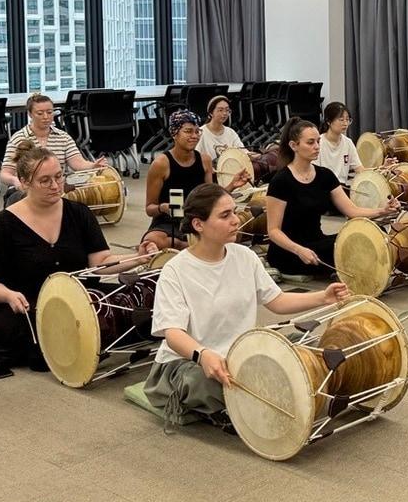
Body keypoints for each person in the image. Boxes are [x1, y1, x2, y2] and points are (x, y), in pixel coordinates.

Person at [146, 183, 351, 429]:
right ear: (198, 224)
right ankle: (245, 402)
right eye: (225, 215)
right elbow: (172, 334)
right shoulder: (175, 271)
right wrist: (203, 354)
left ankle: (258, 396)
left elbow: (277, 300)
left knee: (303, 343)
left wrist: (323, 297)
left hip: (239, 355)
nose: (236, 220)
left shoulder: (245, 257)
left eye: (234, 212)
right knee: (204, 380)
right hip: (186, 363)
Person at [0, 145, 160, 373]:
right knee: (46, 333)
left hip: (74, 296)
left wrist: (139, 258)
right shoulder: (2, 225)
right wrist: (9, 295)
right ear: (24, 182)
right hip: (24, 304)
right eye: (45, 180)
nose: (55, 185)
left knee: (138, 301)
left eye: (59, 176)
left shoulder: (79, 213)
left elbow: (100, 262)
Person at [266, 117, 398, 281]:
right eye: (310, 142)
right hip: (290, 252)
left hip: (318, 243)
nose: (316, 147)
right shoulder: (280, 181)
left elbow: (351, 210)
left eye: (318, 142)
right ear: (294, 146)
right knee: (342, 248)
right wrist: (299, 250)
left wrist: (383, 210)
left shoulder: (325, 176)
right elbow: (273, 231)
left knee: (375, 232)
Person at [143, 110, 244, 251]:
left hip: (199, 218)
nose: (194, 136)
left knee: (235, 231)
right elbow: (149, 208)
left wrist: (232, 185)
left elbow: (211, 198)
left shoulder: (204, 160)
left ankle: (189, 246)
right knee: (154, 240)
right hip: (169, 222)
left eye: (197, 132)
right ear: (174, 134)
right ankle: (192, 245)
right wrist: (164, 207)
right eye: (188, 131)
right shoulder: (161, 164)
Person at [0, 92, 106, 204]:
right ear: (30, 114)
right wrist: (15, 181)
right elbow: (5, 174)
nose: (46, 117)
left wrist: (93, 166)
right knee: (20, 200)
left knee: (89, 192)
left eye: (50, 112)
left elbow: (77, 163)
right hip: (27, 189)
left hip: (57, 188)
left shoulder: (63, 137)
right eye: (40, 113)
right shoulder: (18, 138)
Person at [317, 101, 363, 187]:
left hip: (342, 188)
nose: (345, 123)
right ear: (328, 121)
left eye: (348, 119)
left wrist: (381, 169)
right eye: (341, 120)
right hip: (323, 189)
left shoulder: (348, 142)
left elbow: (359, 169)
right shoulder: (319, 143)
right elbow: (314, 173)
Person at [197, 95, 246, 163]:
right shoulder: (200, 133)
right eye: (220, 110)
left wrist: (253, 155)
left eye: (227, 110)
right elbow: (195, 158)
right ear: (211, 113)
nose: (225, 113)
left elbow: (243, 152)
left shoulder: (230, 132)